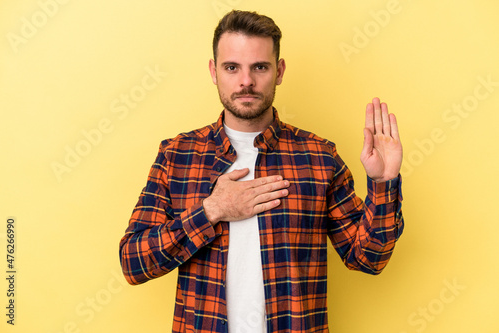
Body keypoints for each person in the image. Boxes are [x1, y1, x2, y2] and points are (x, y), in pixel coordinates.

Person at [119, 10, 404, 333]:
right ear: (214, 71)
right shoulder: (177, 156)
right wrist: (212, 210)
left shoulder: (319, 157)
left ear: (279, 71)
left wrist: (383, 183)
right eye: (232, 67)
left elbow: (368, 258)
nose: (246, 81)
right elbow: (133, 262)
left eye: (260, 67)